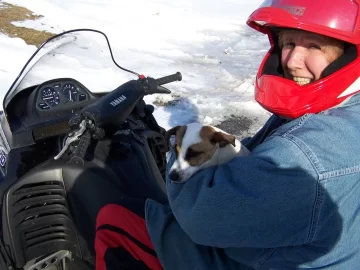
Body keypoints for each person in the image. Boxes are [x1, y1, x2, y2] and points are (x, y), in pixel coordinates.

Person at [93, 0, 360, 269]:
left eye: (314, 46)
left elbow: (202, 215)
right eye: (288, 43)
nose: (291, 61)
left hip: (255, 261)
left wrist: (181, 151)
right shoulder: (334, 110)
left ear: (348, 54)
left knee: (114, 221)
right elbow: (258, 156)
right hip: (292, 250)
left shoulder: (311, 153)